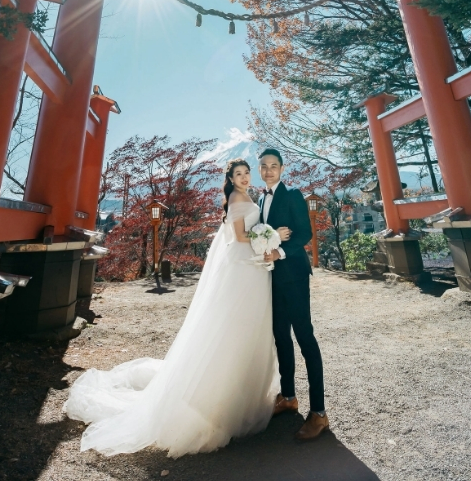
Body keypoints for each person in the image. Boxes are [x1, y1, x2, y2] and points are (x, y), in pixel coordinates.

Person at [63, 159, 279, 457]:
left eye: (246, 173)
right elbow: (241, 236)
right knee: (235, 326)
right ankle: (220, 402)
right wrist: (268, 236)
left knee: (249, 326)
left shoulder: (248, 196)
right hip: (243, 264)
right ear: (230, 178)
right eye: (238, 174)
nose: (243, 178)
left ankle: (244, 394)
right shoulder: (237, 198)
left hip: (249, 266)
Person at [256, 148, 329, 440]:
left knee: (304, 338)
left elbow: (304, 234)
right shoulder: (260, 199)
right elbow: (262, 234)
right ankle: (288, 396)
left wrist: (280, 251)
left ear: (282, 169)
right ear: (259, 169)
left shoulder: (294, 195)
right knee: (280, 337)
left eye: (274, 166)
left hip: (295, 277)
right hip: (271, 280)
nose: (269, 170)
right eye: (264, 166)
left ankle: (319, 413)